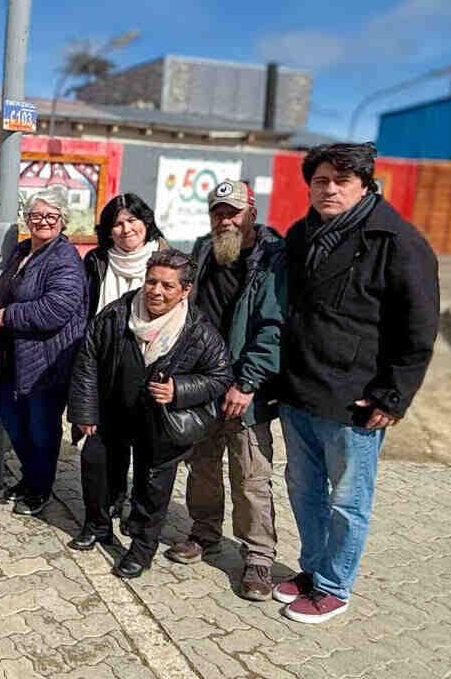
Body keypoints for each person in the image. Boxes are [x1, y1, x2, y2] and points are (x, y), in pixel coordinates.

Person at [275, 142, 438, 624]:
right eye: (321, 180)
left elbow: (419, 327)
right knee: (304, 489)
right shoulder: (303, 234)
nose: (329, 189)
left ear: (364, 185)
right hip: (301, 389)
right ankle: (312, 569)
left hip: (355, 400)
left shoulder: (398, 242)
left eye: (341, 181)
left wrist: (394, 395)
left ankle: (334, 586)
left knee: (348, 499)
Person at [68, 249, 231, 579]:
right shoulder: (116, 314)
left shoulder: (197, 330)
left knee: (151, 488)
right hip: (112, 413)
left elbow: (220, 375)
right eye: (152, 282)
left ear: (185, 290)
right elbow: (87, 362)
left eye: (167, 286)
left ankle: (141, 549)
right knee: (97, 468)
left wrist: (180, 390)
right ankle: (97, 525)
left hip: (160, 424)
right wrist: (85, 411)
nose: (156, 291)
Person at [165, 180, 285, 602]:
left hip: (245, 390)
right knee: (202, 465)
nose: (226, 219)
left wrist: (248, 382)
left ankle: (258, 557)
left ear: (251, 210)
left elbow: (273, 328)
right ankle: (204, 533)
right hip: (204, 383)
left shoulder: (273, 258)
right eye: (218, 211)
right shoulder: (203, 250)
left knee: (250, 473)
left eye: (233, 211)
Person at [0, 194, 87, 515]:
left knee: (41, 429)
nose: (42, 220)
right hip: (14, 356)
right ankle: (31, 477)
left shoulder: (65, 258)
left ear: (62, 220)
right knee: (13, 420)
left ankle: (39, 489)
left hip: (47, 360)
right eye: (36, 214)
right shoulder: (22, 251)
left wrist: (8, 315)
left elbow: (57, 309)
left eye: (50, 215)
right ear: (26, 219)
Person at [79, 193, 168, 528]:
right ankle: (112, 500)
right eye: (117, 223)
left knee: (148, 450)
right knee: (108, 446)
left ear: (146, 223)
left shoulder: (167, 258)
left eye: (132, 220)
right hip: (107, 367)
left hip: (152, 367)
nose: (125, 228)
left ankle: (140, 515)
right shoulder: (97, 261)